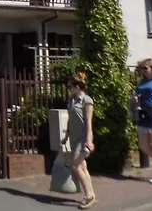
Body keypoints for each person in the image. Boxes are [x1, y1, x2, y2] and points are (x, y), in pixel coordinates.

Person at [61, 72, 96, 209]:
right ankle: (91, 193)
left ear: (77, 86)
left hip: (83, 138)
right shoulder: (71, 100)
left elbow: (88, 122)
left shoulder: (86, 100)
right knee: (82, 166)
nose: (68, 89)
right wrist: (66, 136)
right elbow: (70, 120)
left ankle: (88, 196)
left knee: (75, 165)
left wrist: (89, 140)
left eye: (70, 86)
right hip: (74, 138)